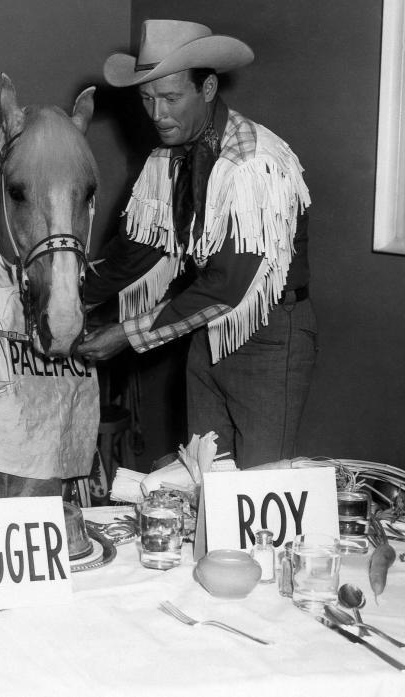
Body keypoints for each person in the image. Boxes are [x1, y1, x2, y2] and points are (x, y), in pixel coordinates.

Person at [77, 20, 315, 468]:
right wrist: (69, 298)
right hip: (205, 329)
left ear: (206, 88)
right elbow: (137, 252)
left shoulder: (252, 163)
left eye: (170, 98)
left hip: (268, 336)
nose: (156, 114)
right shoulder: (167, 158)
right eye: (146, 99)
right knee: (204, 476)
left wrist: (126, 335)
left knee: (260, 480)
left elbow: (228, 286)